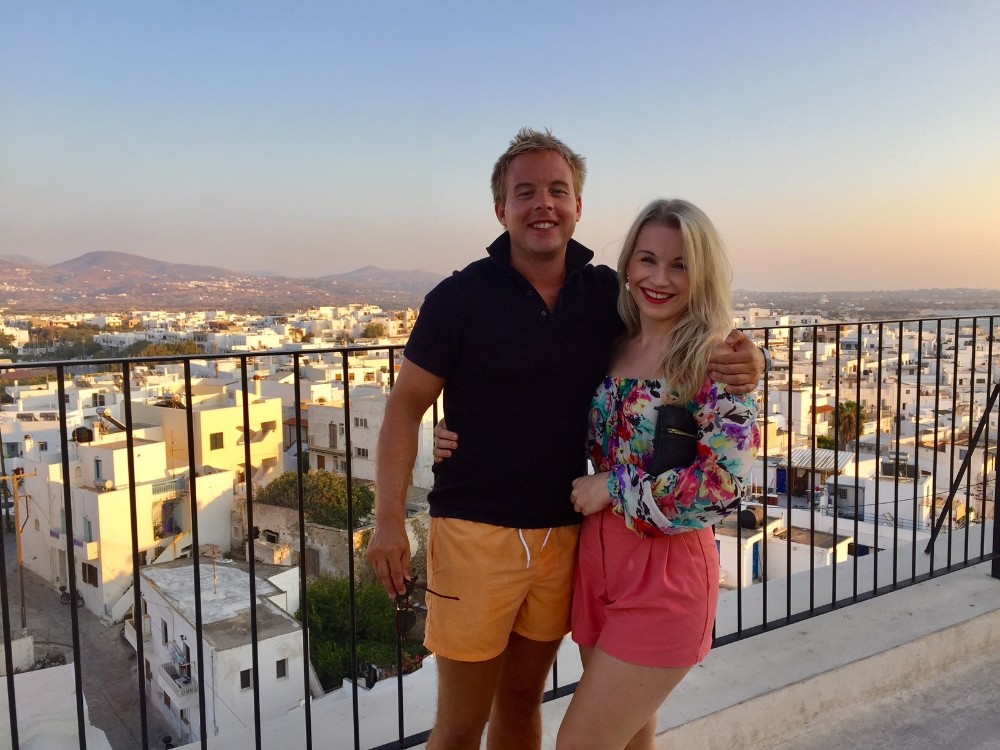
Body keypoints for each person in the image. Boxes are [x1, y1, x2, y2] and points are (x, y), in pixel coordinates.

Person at [366, 128, 763, 750]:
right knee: (462, 724)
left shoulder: (605, 297)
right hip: (480, 533)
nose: (543, 204)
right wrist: (389, 517)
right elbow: (404, 406)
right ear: (501, 208)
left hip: (570, 540)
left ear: (578, 205)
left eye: (558, 190)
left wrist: (750, 360)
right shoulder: (461, 298)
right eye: (525, 192)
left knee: (523, 703)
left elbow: (693, 362)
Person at [556, 199, 760, 750]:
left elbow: (723, 486)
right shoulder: (611, 344)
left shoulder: (715, 361)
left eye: (680, 265)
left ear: (703, 274)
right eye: (648, 260)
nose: (660, 279)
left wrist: (612, 487)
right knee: (629, 740)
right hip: (597, 563)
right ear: (628, 263)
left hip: (666, 572)